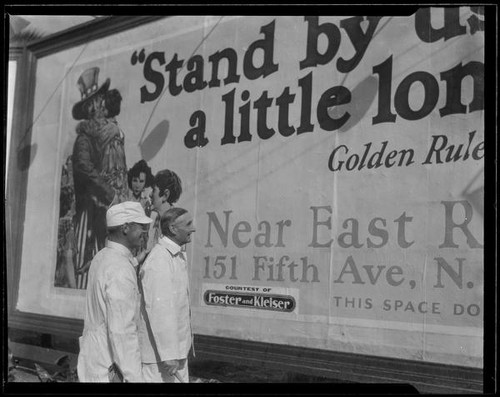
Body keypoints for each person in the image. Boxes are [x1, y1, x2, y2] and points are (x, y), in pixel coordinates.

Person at [77, 201, 152, 382]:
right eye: (141, 226)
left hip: (94, 359)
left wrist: (135, 262)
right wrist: (134, 377)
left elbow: (112, 274)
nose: (145, 232)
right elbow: (122, 332)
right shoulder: (120, 268)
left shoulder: (102, 256)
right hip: (110, 367)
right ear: (125, 227)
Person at [71, 67, 129, 289]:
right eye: (98, 101)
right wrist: (109, 192)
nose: (102, 105)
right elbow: (84, 168)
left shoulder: (111, 132)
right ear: (92, 106)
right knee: (89, 258)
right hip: (91, 208)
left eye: (102, 101)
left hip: (109, 206)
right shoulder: (84, 138)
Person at [138, 207, 196, 382]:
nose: (193, 228)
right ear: (172, 228)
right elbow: (160, 309)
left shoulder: (174, 255)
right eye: (188, 224)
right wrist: (169, 354)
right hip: (161, 359)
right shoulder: (159, 260)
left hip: (174, 355)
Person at [145, 169, 183, 252]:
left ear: (165, 195)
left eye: (154, 190)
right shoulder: (152, 216)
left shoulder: (177, 224)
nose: (150, 194)